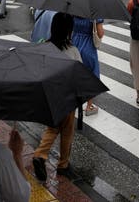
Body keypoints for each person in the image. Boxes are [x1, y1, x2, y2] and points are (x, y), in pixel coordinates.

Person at [32, 13, 83, 182]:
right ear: (69, 31)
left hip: (49, 94)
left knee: (53, 126)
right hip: (67, 96)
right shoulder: (72, 51)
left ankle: (41, 154)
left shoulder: (45, 47)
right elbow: (79, 73)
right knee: (67, 130)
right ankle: (63, 164)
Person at [72, 17, 104, 115]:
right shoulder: (94, 14)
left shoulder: (73, 11)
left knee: (75, 73)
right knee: (90, 75)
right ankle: (89, 106)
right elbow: (100, 33)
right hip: (88, 45)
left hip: (75, 43)